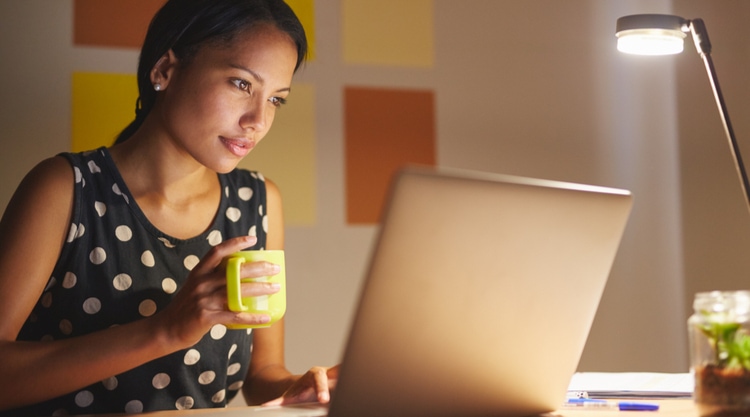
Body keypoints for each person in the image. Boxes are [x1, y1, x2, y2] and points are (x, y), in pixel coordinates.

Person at [0, 0, 337, 415]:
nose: (258, 120)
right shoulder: (64, 189)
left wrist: (299, 388)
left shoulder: (259, 200)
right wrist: (165, 331)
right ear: (165, 70)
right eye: (241, 84)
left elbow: (262, 374)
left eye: (276, 100)